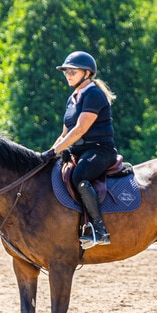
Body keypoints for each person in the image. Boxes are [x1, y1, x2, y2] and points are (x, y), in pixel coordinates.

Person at [40, 50, 118, 248]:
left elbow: (80, 129)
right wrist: (49, 153)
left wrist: (55, 150)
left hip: (100, 150)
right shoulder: (72, 98)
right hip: (80, 151)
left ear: (87, 73)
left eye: (72, 72)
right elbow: (65, 133)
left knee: (79, 177)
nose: (68, 75)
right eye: (66, 72)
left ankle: (100, 230)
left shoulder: (93, 94)